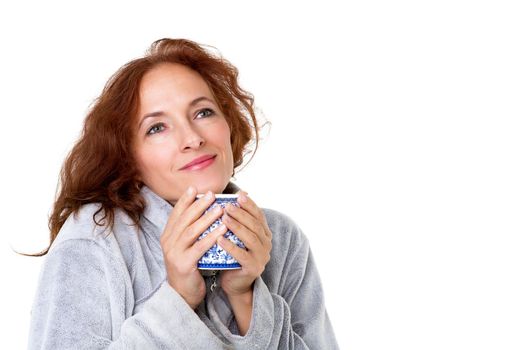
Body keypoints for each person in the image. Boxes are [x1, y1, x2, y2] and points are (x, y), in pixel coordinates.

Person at [28, 38, 339, 349]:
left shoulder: (281, 238)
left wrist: (246, 298)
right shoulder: (95, 238)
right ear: (130, 160)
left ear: (228, 125)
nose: (192, 138)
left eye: (203, 112)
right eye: (156, 128)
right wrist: (178, 298)